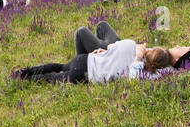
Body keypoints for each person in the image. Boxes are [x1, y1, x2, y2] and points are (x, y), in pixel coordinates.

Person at [14, 22, 177, 84]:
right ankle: (25, 79)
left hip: (86, 59)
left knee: (59, 66)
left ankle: (24, 71)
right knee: (52, 78)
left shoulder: (129, 44)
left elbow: (110, 48)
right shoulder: (138, 73)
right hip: (87, 74)